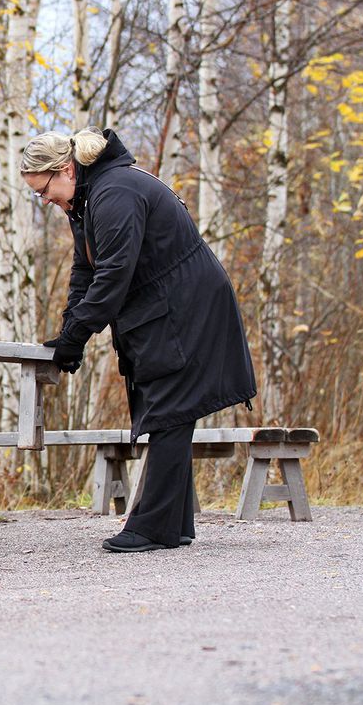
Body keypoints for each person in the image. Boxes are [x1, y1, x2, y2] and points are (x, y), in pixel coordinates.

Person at [22, 127, 256, 552]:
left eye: (44, 190)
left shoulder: (116, 193)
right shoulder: (89, 201)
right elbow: (85, 272)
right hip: (167, 306)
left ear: (65, 170)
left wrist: (76, 336)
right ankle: (176, 524)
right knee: (168, 409)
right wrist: (68, 332)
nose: (45, 201)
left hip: (186, 307)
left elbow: (113, 276)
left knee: (169, 409)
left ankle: (152, 527)